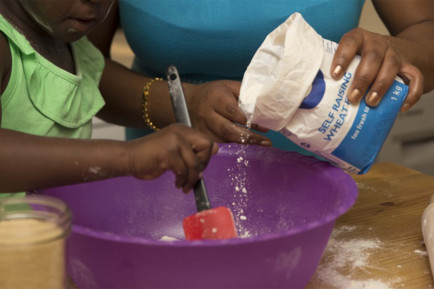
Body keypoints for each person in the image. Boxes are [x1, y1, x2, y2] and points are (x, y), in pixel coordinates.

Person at [88, 0, 434, 153]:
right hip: (168, 184)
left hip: (321, 192)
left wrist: (397, 53)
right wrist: (182, 105)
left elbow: (425, 31)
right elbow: (79, 68)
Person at [0, 0, 219, 195]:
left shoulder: (68, 42)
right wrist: (128, 157)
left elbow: (95, 85)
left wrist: (192, 102)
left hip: (46, 233)